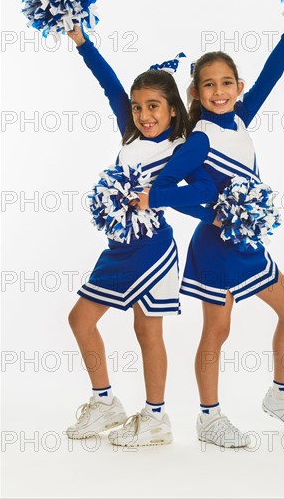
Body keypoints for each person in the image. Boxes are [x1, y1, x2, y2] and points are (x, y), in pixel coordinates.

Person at [146, 9, 284, 448]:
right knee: (218, 332)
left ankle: (281, 395)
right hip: (216, 248)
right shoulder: (200, 138)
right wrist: (212, 215)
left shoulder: (240, 116)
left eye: (227, 83)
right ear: (196, 92)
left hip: (247, 243)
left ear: (237, 88)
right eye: (209, 84)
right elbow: (161, 188)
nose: (219, 91)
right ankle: (209, 418)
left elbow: (273, 73)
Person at [65, 27, 217, 447]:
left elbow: (204, 193)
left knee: (147, 333)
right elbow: (108, 81)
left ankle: (155, 419)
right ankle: (105, 402)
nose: (144, 115)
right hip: (119, 248)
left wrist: (159, 197)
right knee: (80, 319)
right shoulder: (130, 133)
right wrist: (80, 39)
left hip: (153, 250)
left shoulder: (183, 146)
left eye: (154, 107)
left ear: (172, 110)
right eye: (137, 107)